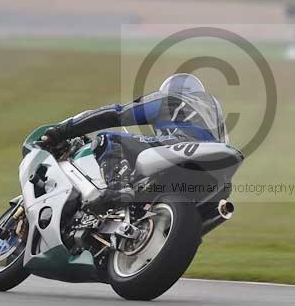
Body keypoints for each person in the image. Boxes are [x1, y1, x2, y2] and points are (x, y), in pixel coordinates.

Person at [39, 74, 226, 213]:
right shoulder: (213, 109)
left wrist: (62, 131)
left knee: (108, 139)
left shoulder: (170, 99)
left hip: (185, 148)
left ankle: (117, 188)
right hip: (219, 177)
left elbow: (118, 114)